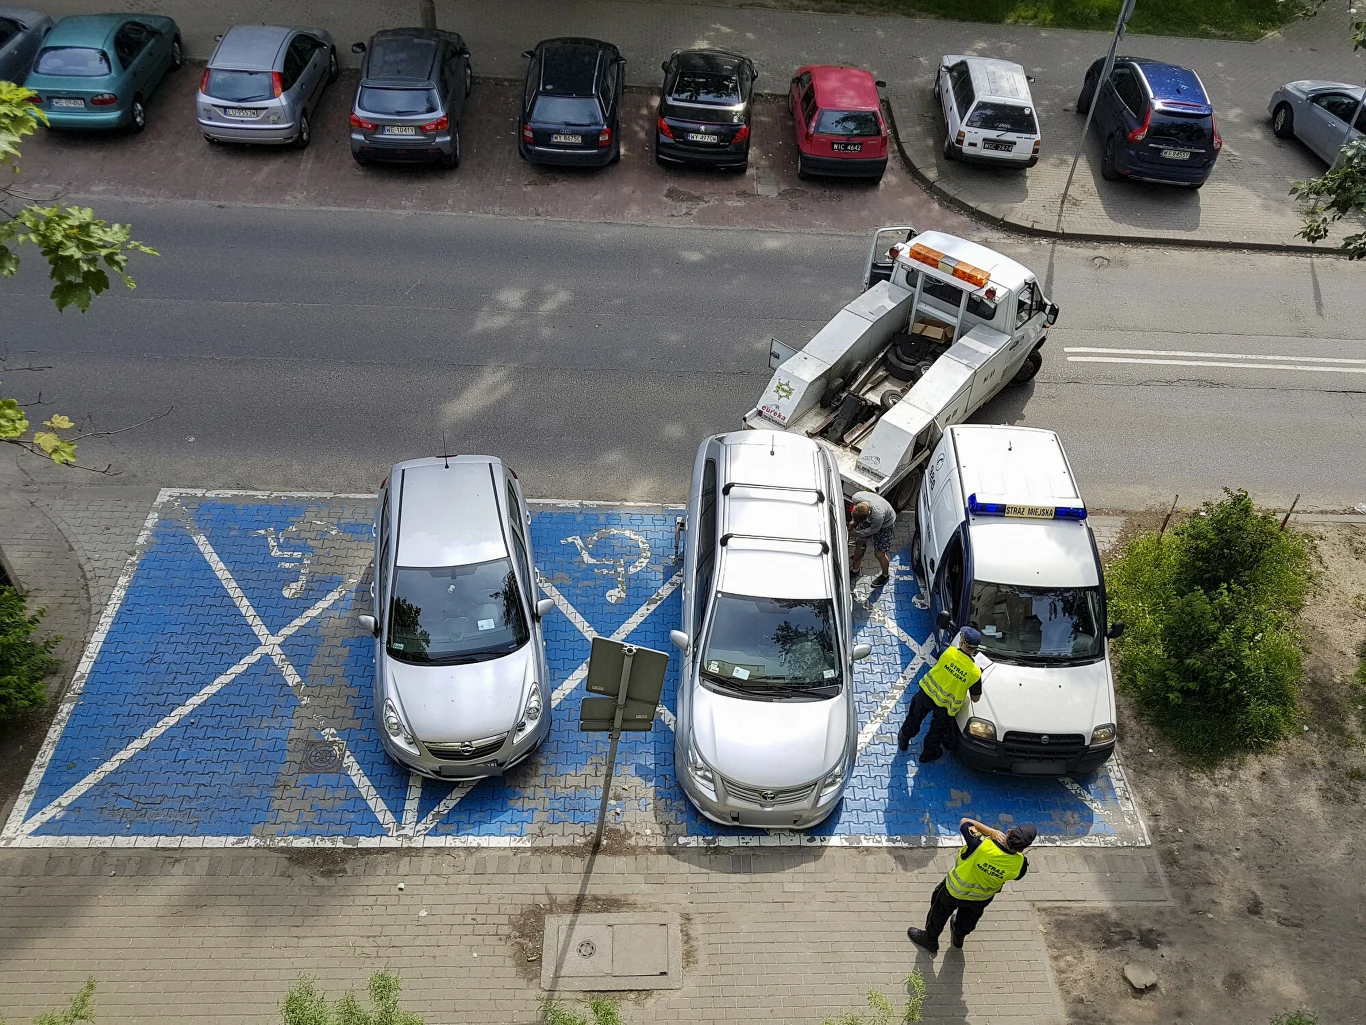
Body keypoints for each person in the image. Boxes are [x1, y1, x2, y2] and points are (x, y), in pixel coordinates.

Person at [907, 818, 1037, 955]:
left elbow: (965, 822)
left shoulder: (981, 844)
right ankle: (958, 937)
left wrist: (992, 832)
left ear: (1009, 832)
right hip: (980, 899)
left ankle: (930, 940)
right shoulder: (1020, 864)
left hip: (953, 891)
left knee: (938, 914)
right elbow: (1017, 876)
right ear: (1022, 848)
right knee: (968, 919)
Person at [897, 627, 983, 763]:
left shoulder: (947, 651)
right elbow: (975, 699)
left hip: (926, 694)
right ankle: (928, 754)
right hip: (946, 707)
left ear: (961, 642)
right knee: (937, 731)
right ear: (975, 649)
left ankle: (904, 738)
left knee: (914, 717)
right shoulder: (975, 672)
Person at [848, 490, 897, 587]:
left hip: (885, 524)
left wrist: (857, 533)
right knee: (860, 543)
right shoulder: (856, 497)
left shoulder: (878, 516)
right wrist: (854, 521)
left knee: (879, 554)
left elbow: (872, 530)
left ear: (869, 513)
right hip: (872, 517)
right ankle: (855, 569)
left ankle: (885, 575)